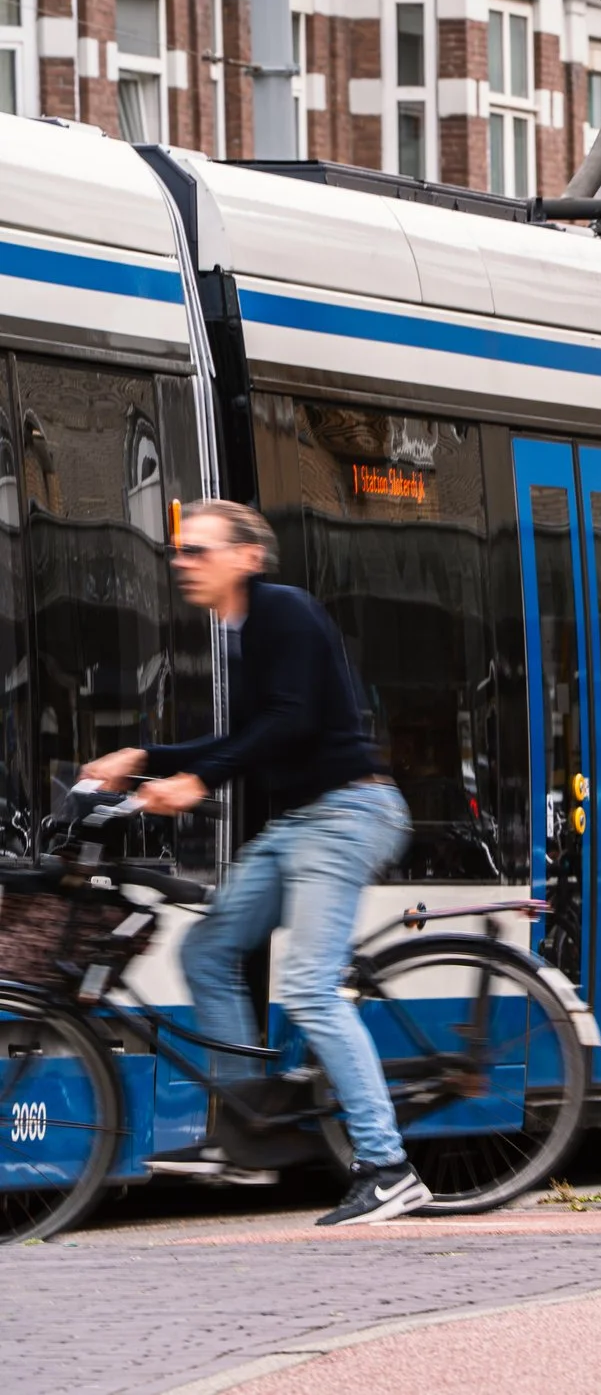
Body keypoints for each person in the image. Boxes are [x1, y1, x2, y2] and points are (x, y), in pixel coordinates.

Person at [82, 499, 429, 1228]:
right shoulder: (242, 629)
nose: (184, 563)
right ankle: (248, 1134)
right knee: (209, 949)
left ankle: (388, 1166)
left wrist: (197, 781)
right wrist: (144, 760)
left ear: (247, 556)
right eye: (180, 552)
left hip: (347, 815)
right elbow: (248, 733)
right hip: (302, 822)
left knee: (307, 987)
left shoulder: (284, 611)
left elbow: (290, 722)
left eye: (199, 551)